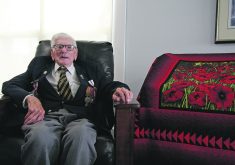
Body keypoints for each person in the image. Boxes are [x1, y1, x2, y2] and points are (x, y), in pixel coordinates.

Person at [2, 33, 133, 165]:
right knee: (39, 137)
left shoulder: (91, 67)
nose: (64, 50)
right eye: (59, 47)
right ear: (52, 53)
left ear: (75, 53)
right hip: (46, 117)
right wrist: (30, 98)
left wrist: (118, 89)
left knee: (81, 136)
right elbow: (10, 85)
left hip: (81, 117)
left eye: (69, 47)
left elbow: (107, 86)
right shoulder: (38, 65)